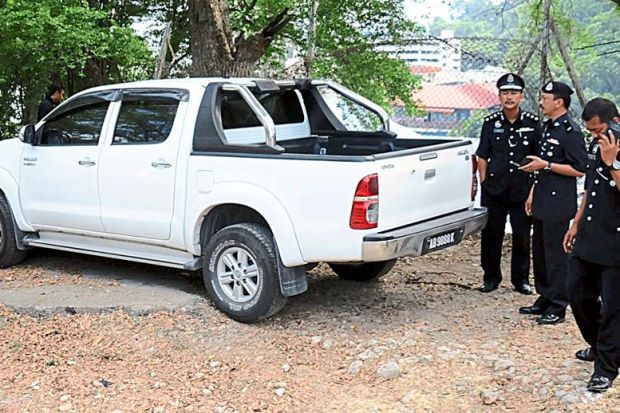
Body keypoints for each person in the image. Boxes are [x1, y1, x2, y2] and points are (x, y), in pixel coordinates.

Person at [563, 98, 620, 393]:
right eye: (591, 132)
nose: (595, 136)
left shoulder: (614, 149)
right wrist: (575, 222)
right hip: (589, 235)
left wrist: (613, 163)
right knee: (577, 293)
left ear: (615, 122)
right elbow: (590, 189)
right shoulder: (598, 147)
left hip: (615, 242)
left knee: (613, 308)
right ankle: (598, 345)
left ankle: (606, 368)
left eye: (598, 130)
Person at [518, 81, 587, 325]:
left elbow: (579, 168)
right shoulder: (548, 127)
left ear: (559, 102)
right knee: (540, 252)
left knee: (556, 255)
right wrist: (533, 192)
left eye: (545, 98)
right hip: (543, 197)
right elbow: (541, 163)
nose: (541, 102)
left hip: (559, 202)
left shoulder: (571, 131)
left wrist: (546, 165)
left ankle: (558, 305)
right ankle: (544, 297)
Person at [475, 73, 539, 294]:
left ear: (521, 96)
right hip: (495, 188)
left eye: (513, 92)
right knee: (492, 234)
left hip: (523, 188)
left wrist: (534, 188)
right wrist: (483, 180)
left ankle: (521, 279)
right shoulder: (490, 123)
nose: (509, 97)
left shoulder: (532, 123)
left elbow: (539, 157)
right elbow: (482, 154)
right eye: (505, 93)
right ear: (499, 96)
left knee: (522, 236)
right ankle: (491, 277)